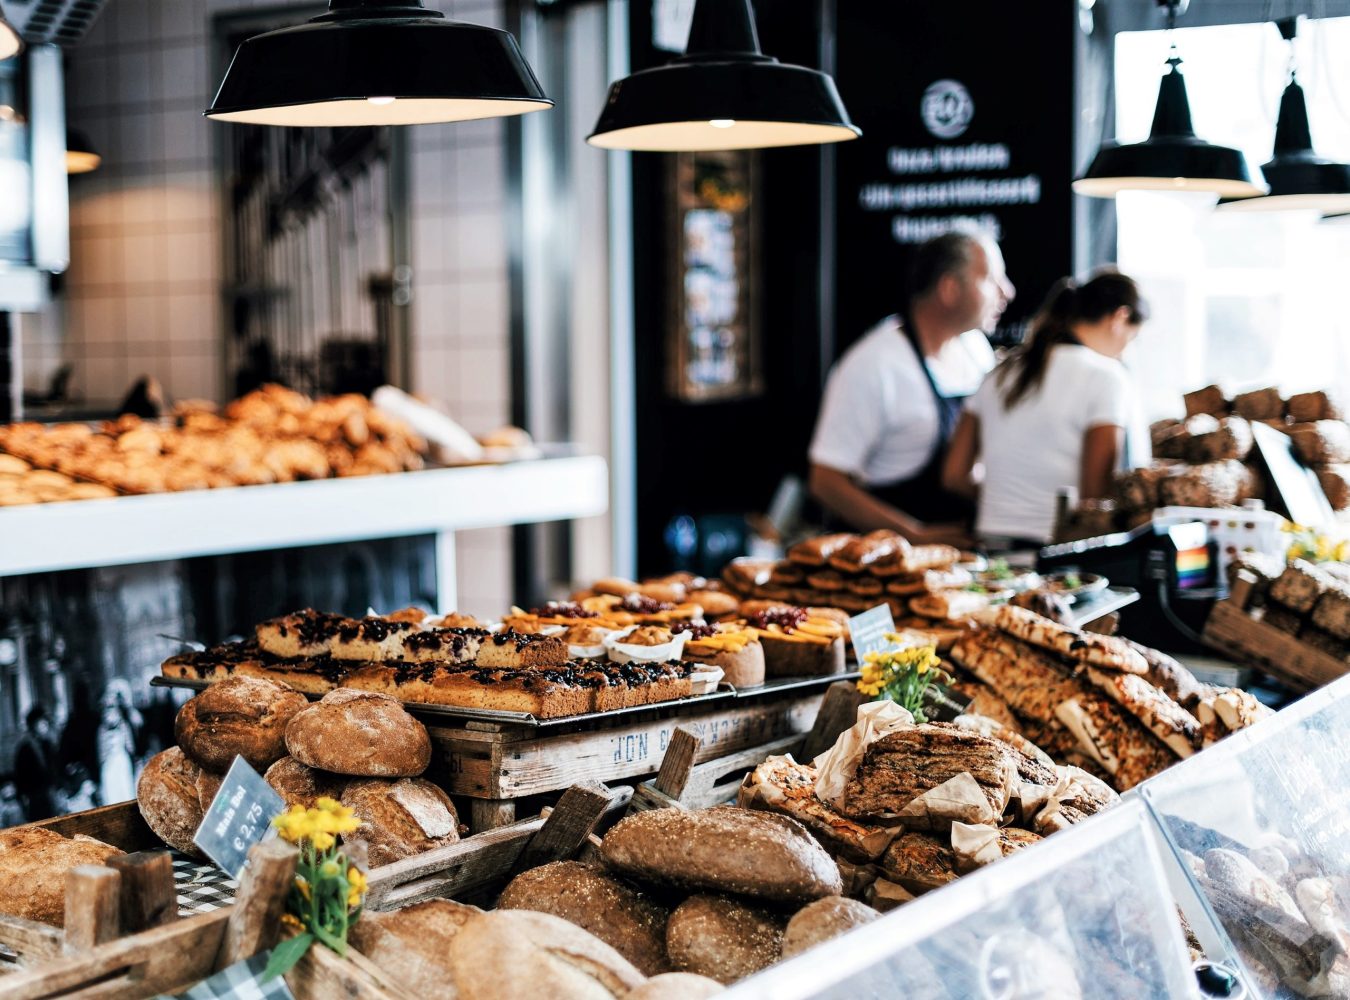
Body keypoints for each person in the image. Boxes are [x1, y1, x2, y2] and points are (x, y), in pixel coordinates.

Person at [808, 230, 1015, 545]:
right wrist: (913, 536)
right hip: (888, 564)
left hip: (964, 556)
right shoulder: (873, 365)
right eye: (990, 279)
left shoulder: (975, 348)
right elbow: (825, 482)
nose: (1007, 292)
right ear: (949, 288)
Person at [942, 270, 1149, 547]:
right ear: (1120, 318)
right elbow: (1094, 497)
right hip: (1058, 554)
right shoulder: (1107, 377)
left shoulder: (999, 373)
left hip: (991, 549)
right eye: (1132, 339)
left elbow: (954, 476)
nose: (1125, 349)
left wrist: (1008, 501)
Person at [13, 705, 59, 821]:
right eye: (42, 724)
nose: (45, 727)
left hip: (50, 797)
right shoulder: (25, 749)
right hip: (36, 800)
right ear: (33, 725)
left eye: (46, 723)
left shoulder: (48, 745)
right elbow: (20, 778)